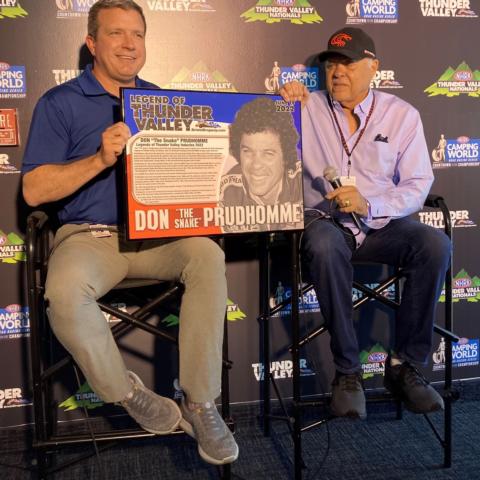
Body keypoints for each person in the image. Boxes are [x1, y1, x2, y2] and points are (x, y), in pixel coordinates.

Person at [21, 0, 238, 465]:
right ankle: (126, 394)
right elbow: (34, 191)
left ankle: (201, 404)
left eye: (137, 34)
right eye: (116, 34)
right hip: (90, 239)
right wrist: (99, 159)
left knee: (207, 255)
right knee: (62, 291)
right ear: (92, 43)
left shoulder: (163, 101)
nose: (128, 44)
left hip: (157, 237)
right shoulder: (60, 103)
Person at [280, 27, 451, 419]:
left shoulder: (402, 115)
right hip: (327, 223)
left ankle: (405, 366)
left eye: (348, 63)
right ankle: (347, 371)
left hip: (382, 225)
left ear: (373, 67)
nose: (338, 72)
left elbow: (417, 183)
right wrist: (282, 103)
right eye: (332, 64)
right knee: (323, 243)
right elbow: (262, 137)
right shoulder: (306, 107)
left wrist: (370, 202)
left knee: (435, 245)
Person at [221, 97, 303, 231]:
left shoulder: (300, 181)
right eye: (247, 151)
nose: (256, 165)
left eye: (268, 153)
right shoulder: (227, 190)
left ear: (285, 157)